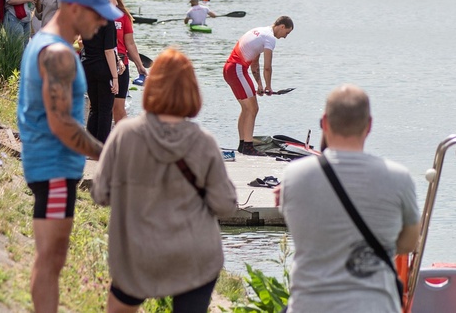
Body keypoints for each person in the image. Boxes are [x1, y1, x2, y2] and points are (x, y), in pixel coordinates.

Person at [92, 48, 237, 313]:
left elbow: (101, 193)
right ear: (192, 92)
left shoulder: (125, 134)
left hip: (137, 251)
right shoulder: (203, 143)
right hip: (194, 256)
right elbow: (225, 205)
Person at [16, 0, 120, 313]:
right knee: (51, 260)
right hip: (55, 168)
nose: (103, 22)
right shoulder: (58, 54)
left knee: (49, 259)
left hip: (48, 166)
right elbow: (61, 123)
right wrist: (108, 155)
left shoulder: (46, 43)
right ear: (75, 8)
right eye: (98, 14)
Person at [278, 85, 420, 313]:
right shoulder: (399, 178)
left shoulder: (294, 176)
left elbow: (301, 231)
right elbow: (410, 243)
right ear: (369, 125)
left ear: (324, 123)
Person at [223, 16, 293, 156]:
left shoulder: (260, 32)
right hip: (237, 69)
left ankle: (243, 145)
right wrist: (268, 86)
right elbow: (267, 67)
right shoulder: (270, 38)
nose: (285, 37)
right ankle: (248, 147)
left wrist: (260, 85)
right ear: (282, 26)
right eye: (287, 33)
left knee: (246, 108)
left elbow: (254, 64)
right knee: (253, 108)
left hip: (229, 69)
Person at [82, 0, 119, 143]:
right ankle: (101, 146)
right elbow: (109, 50)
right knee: (105, 110)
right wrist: (115, 77)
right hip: (103, 67)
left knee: (94, 108)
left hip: (87, 65)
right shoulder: (107, 20)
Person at [109, 0, 146, 124]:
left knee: (118, 107)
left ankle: (124, 134)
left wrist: (139, 65)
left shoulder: (123, 17)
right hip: (102, 63)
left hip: (121, 65)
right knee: (101, 107)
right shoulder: (96, 15)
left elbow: (130, 44)